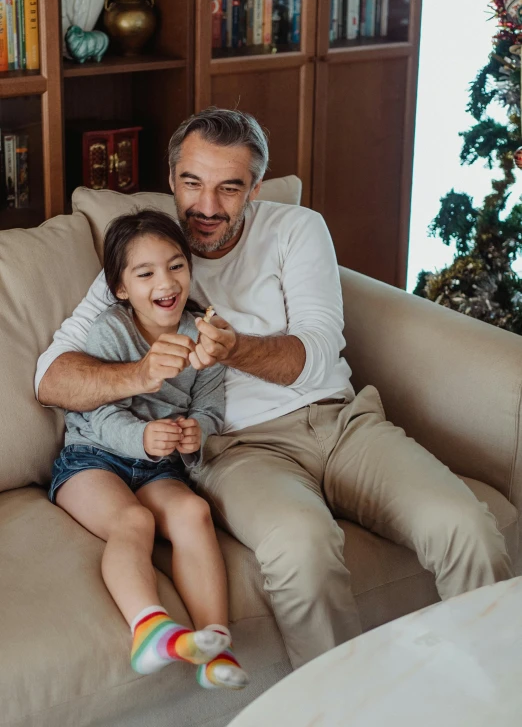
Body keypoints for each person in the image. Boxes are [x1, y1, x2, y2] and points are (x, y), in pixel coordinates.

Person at [37, 108, 513, 671]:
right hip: (236, 450)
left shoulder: (297, 228)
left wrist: (236, 348)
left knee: (465, 525)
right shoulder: (152, 258)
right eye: (192, 183)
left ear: (256, 189)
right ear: (171, 180)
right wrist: (139, 374)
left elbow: (316, 353)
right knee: (301, 548)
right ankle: (336, 709)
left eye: (229, 188)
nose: (206, 206)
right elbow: (51, 377)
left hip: (341, 423)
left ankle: (499, 694)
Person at [48, 208, 248, 691]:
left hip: (159, 468)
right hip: (91, 459)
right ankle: (150, 628)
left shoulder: (203, 334)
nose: (167, 281)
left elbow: (211, 407)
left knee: (194, 512)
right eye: (146, 273)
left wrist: (195, 432)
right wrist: (140, 437)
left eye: (176, 265)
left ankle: (214, 647)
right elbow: (95, 410)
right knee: (133, 521)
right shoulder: (111, 332)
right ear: (121, 288)